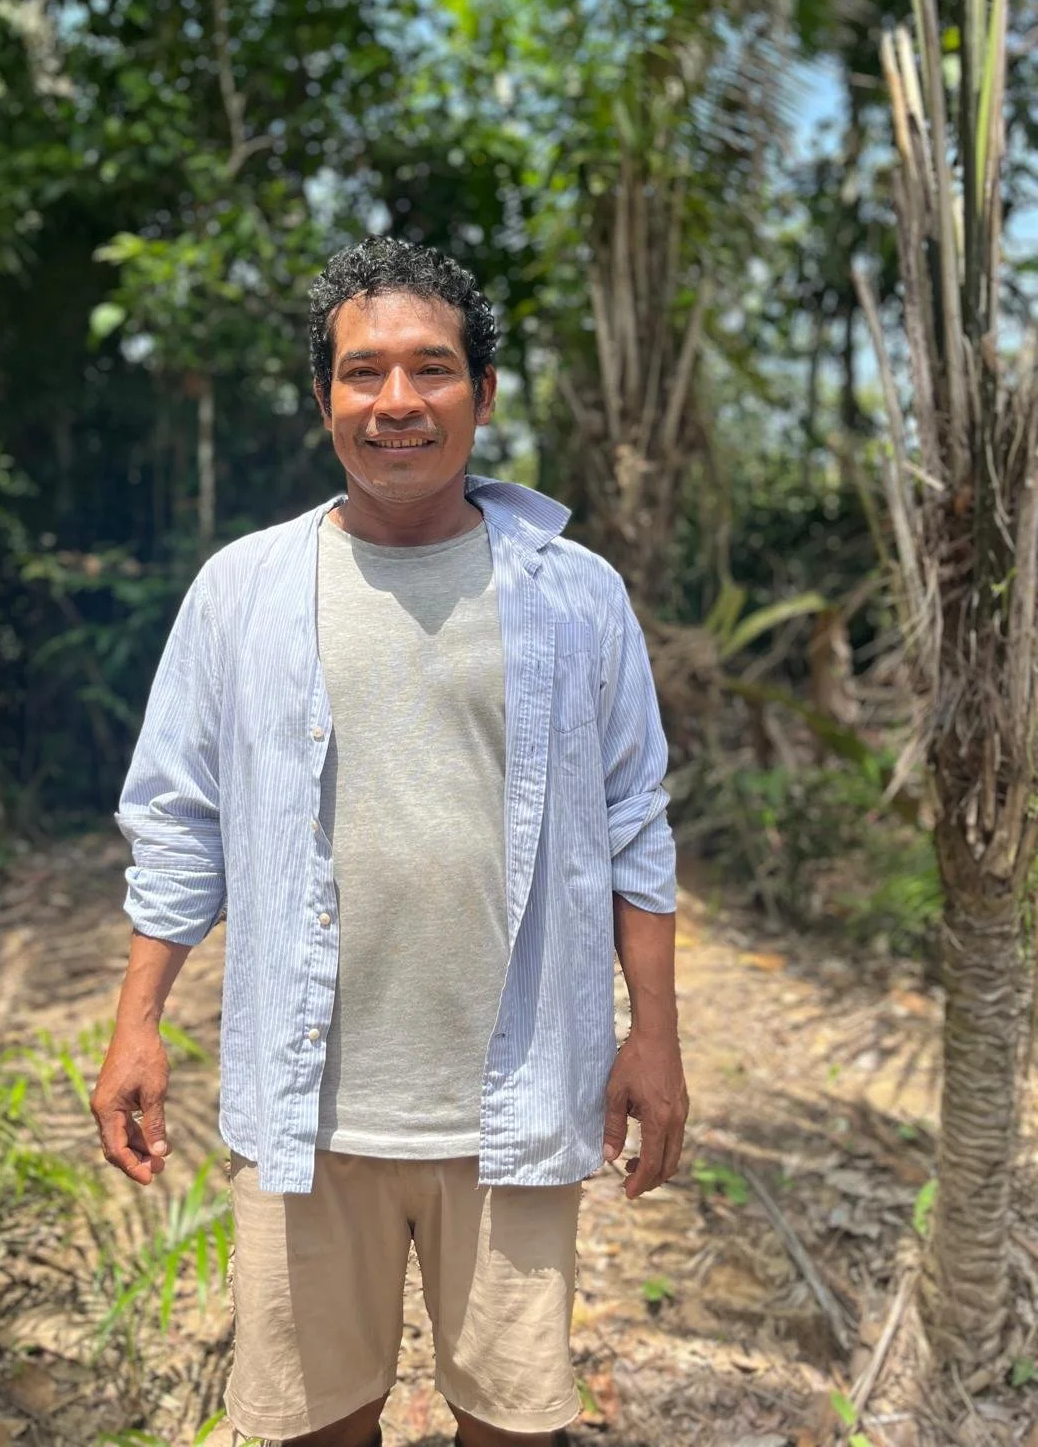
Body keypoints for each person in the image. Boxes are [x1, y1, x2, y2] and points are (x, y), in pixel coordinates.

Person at [91, 238, 689, 1447]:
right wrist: (136, 1022)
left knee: (511, 1424)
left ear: (484, 393)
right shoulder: (243, 592)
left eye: (433, 368)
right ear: (324, 400)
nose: (397, 401)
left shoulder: (577, 596)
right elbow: (180, 817)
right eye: (363, 372)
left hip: (515, 1098)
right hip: (306, 1108)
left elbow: (634, 821)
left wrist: (656, 1036)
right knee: (315, 1423)